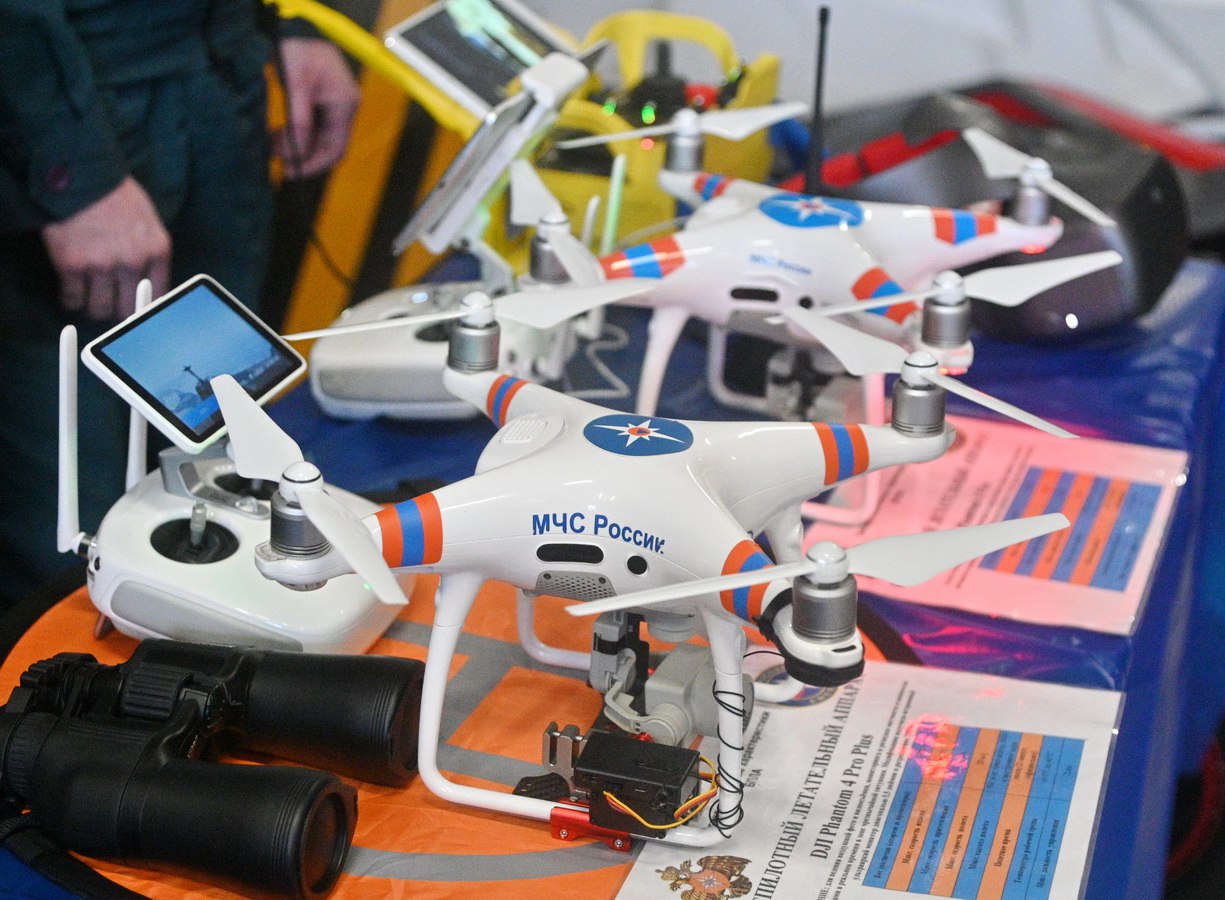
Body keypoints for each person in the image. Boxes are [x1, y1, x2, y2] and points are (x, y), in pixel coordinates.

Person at [0, 0, 360, 609]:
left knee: (223, 477)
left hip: (221, 70)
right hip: (62, 98)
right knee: (76, 543)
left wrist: (295, 21)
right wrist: (74, 176)